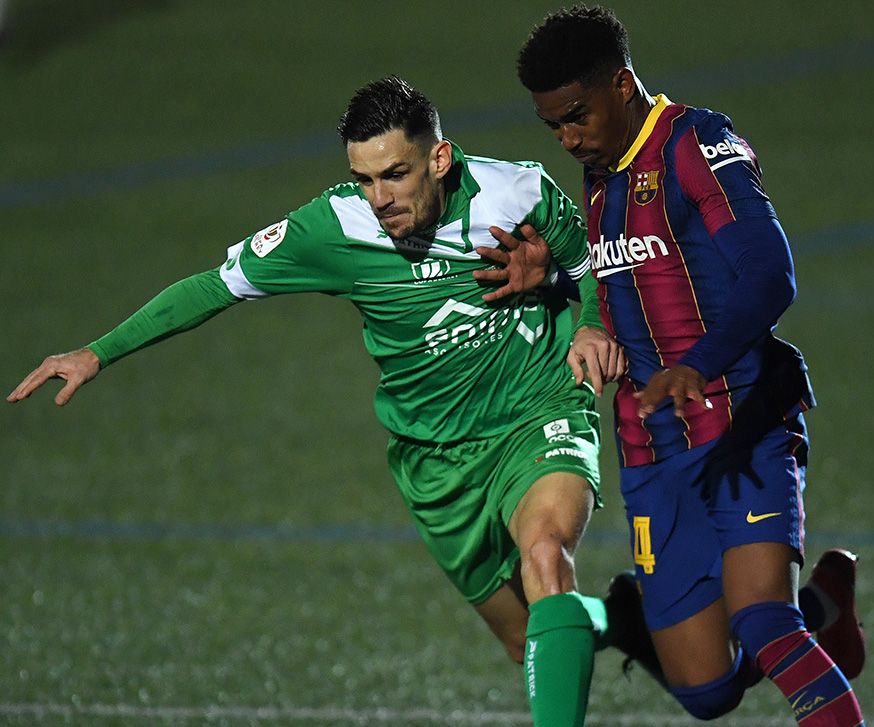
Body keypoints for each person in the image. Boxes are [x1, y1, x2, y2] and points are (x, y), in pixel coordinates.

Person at [7, 76, 650, 727]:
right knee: (527, 639)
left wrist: (592, 322)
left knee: (546, 554)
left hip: (536, 411)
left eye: (395, 174)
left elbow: (597, 264)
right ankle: (623, 616)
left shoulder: (517, 192)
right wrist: (97, 352)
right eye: (364, 178)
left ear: (439, 157)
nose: (380, 198)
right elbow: (213, 287)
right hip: (437, 463)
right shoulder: (331, 227)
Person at [501, 6, 869, 725]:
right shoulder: (601, 176)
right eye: (554, 126)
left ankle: (798, 614)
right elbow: (628, 286)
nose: (569, 138)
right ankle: (824, 605)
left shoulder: (695, 142)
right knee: (705, 691)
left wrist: (697, 363)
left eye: (578, 115)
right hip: (655, 450)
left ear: (623, 82)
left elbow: (770, 272)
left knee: (766, 619)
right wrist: (553, 283)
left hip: (742, 422)